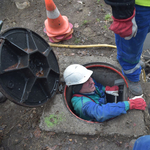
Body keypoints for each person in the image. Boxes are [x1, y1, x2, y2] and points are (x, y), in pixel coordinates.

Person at [63, 64, 146, 122]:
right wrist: (129, 104)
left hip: (102, 103)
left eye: (90, 78)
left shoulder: (87, 83)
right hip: (96, 119)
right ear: (77, 87)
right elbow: (101, 113)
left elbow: (97, 85)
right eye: (87, 81)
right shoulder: (81, 104)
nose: (92, 81)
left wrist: (106, 89)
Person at [104, 0, 150, 95]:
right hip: (138, 6)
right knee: (131, 44)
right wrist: (122, 12)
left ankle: (133, 62)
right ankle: (131, 73)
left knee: (140, 37)